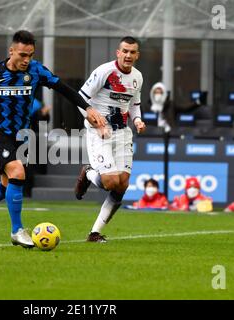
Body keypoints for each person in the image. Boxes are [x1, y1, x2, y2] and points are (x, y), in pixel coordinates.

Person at [0, 30, 105, 248]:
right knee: (18, 172)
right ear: (11, 51)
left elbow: (64, 89)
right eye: (22, 55)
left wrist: (88, 108)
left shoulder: (36, 71)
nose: (26, 60)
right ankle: (17, 231)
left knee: (7, 188)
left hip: (21, 137)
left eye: (30, 55)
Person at [74, 36, 146, 242]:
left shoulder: (138, 77)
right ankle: (88, 172)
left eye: (132, 52)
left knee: (122, 184)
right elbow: (80, 99)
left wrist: (138, 119)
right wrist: (96, 122)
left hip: (123, 132)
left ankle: (94, 233)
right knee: (109, 181)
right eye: (125, 51)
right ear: (118, 52)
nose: (128, 55)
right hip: (100, 132)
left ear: (137, 55)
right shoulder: (104, 72)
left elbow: (134, 104)